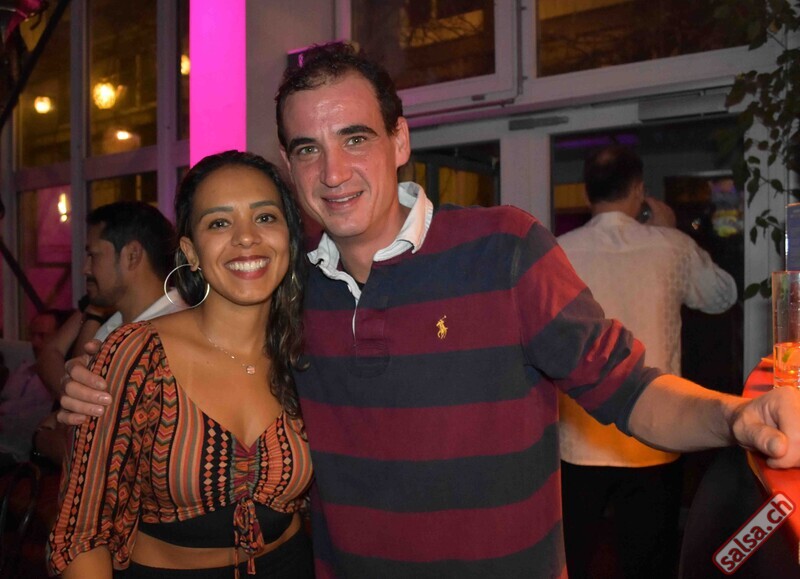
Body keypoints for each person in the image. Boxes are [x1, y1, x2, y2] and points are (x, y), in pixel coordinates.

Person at [60, 44, 800, 578]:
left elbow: (632, 391)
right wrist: (100, 370)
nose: (333, 171)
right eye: (308, 149)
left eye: (355, 138)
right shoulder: (289, 285)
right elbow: (190, 312)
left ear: (399, 140)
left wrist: (735, 417)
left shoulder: (505, 249)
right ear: (289, 166)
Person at [48, 151, 314, 578]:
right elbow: (81, 534)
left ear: (289, 237)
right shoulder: (136, 355)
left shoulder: (308, 350)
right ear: (190, 251)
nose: (247, 238)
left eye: (265, 217)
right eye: (219, 223)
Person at [556, 145, 738, 578]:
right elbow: (722, 296)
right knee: (649, 565)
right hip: (653, 436)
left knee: (569, 561)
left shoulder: (558, 252)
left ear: (587, 192)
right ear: (638, 190)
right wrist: (672, 230)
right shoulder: (670, 246)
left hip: (578, 437)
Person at [37, 201, 186, 396]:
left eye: (93, 255)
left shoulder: (175, 334)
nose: (85, 269)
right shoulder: (114, 325)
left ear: (132, 256)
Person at [0, 309, 70, 473]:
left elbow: (31, 424)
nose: (35, 342)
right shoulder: (23, 368)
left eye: (42, 336)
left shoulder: (58, 378)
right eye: (32, 335)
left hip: (17, 456)